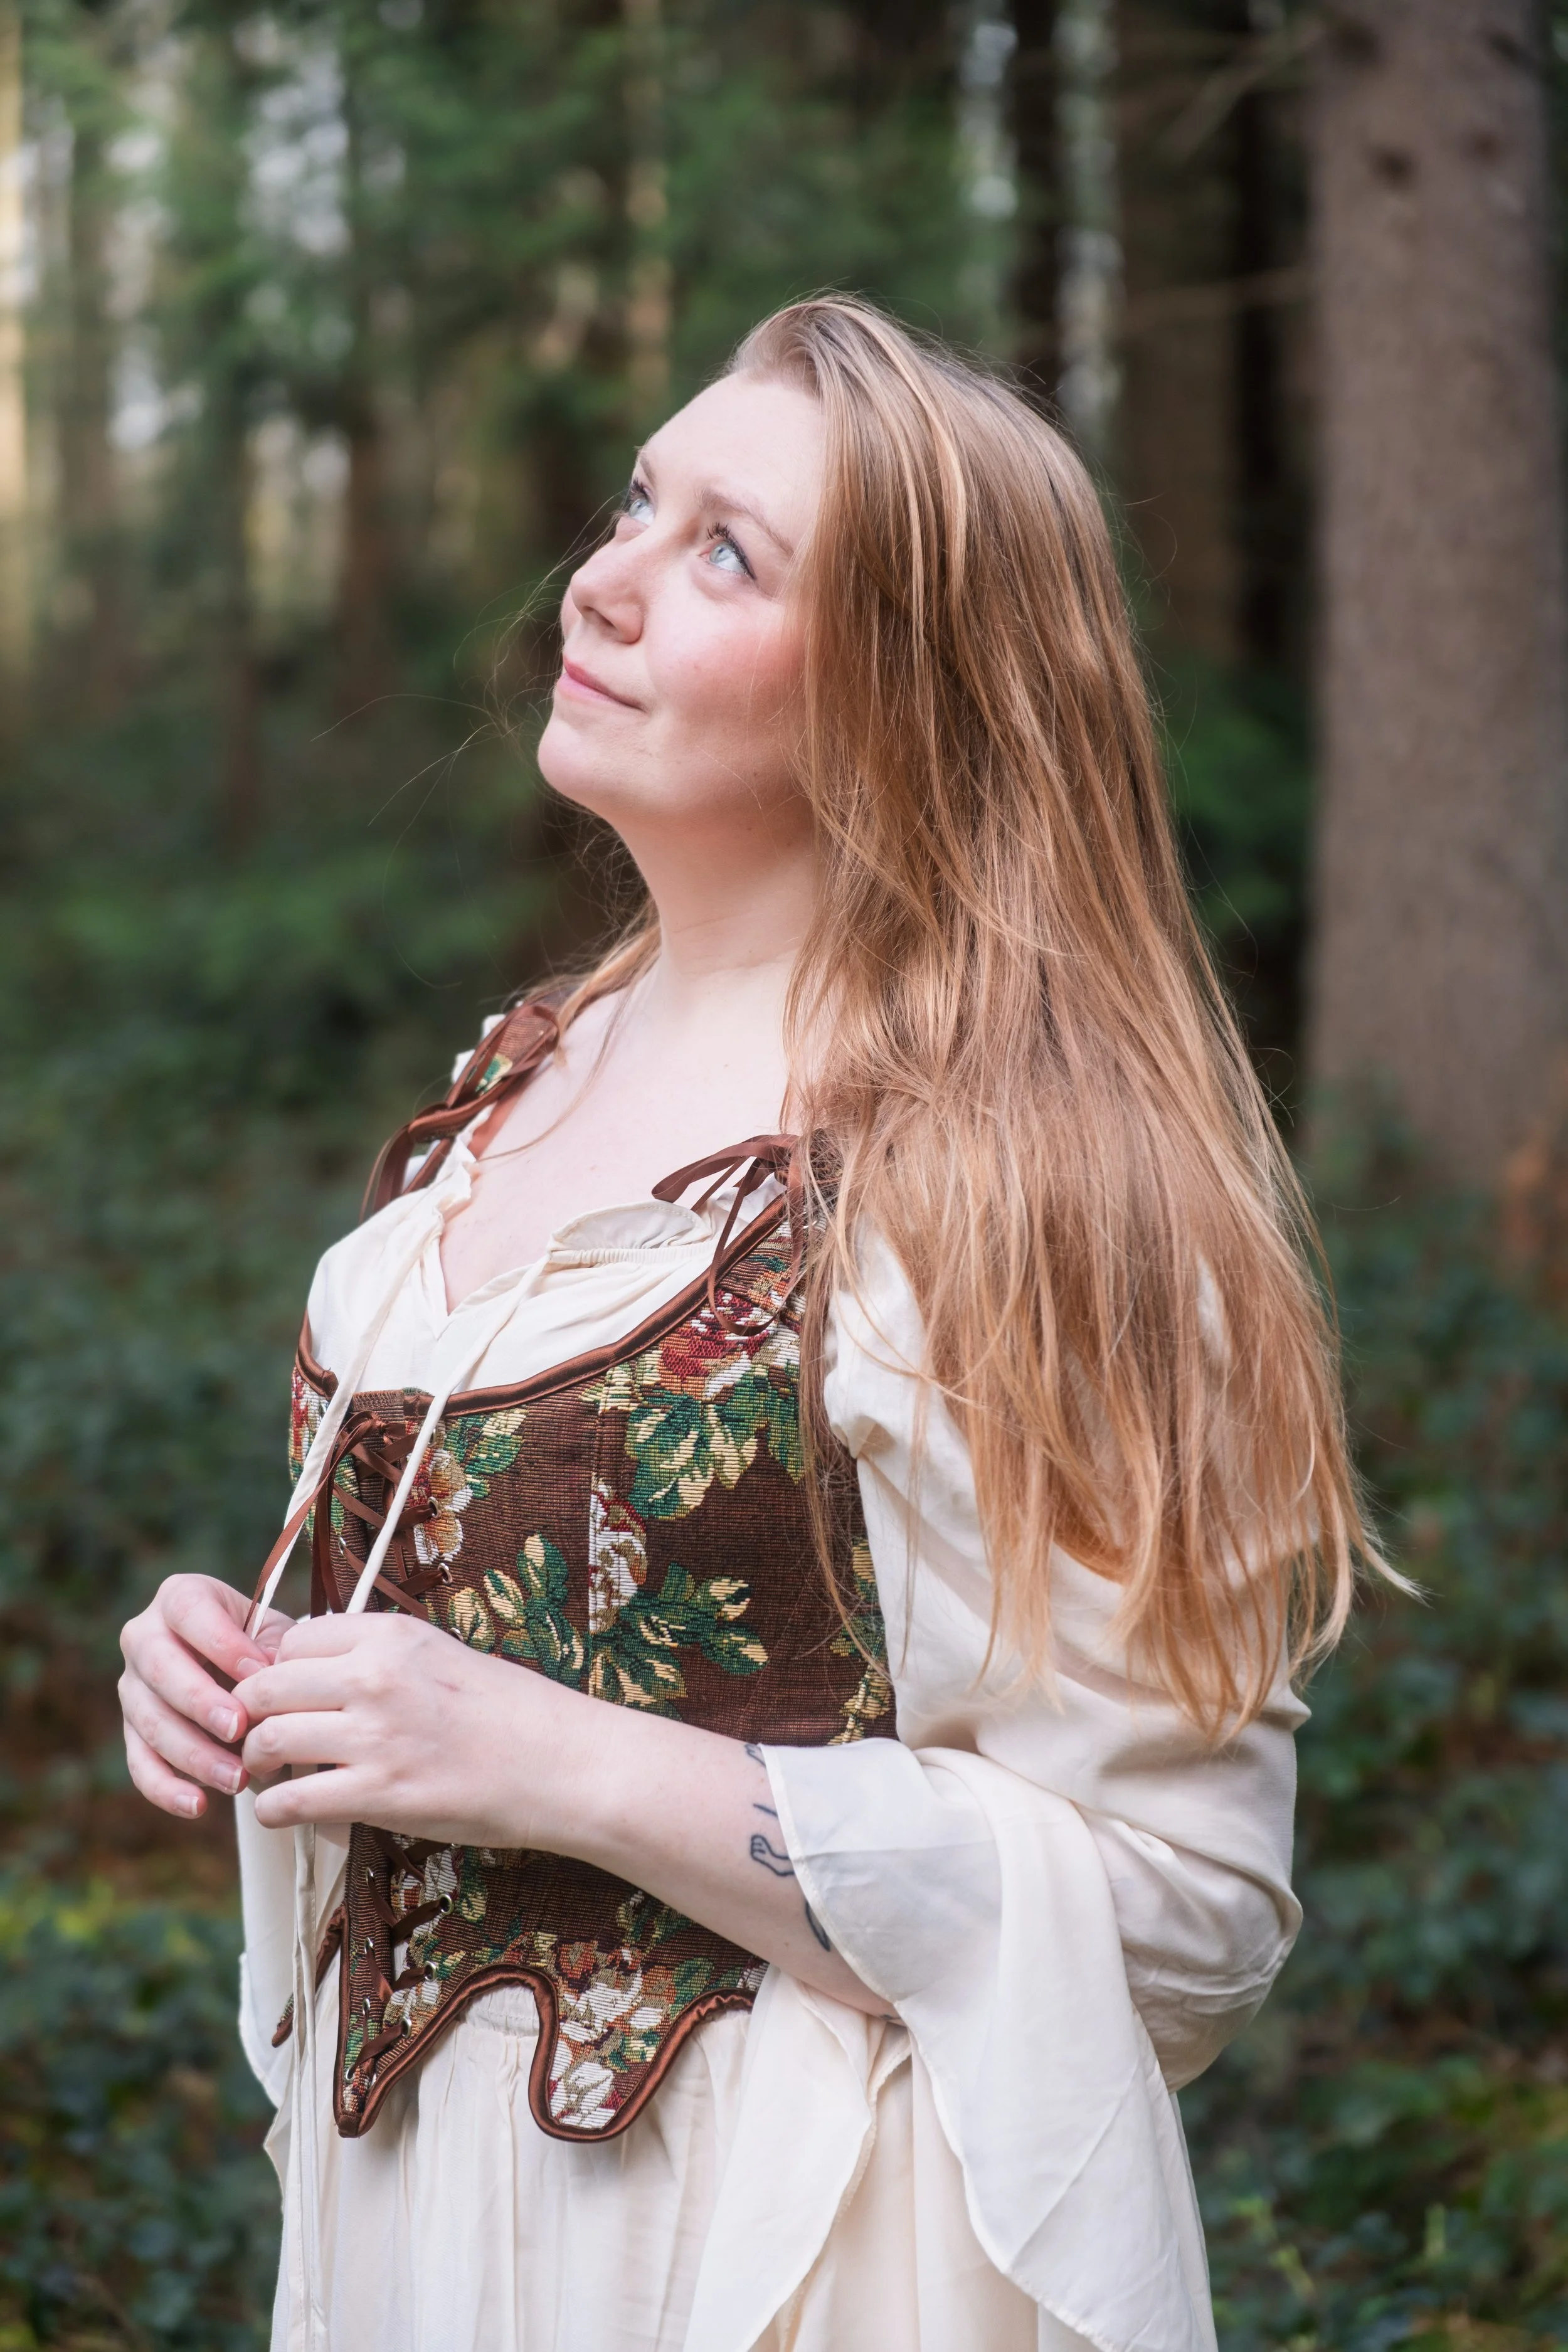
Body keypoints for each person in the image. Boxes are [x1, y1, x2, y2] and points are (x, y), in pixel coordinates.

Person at [117, 297, 1380, 2352]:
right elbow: (469, 1640)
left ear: (909, 691)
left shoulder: (1009, 1180)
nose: (600, 579)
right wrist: (256, 1680)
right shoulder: (519, 1069)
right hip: (425, 2241)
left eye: (726, 554)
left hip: (794, 2259)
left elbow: (1174, 1911)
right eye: (639, 499)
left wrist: (550, 1756)